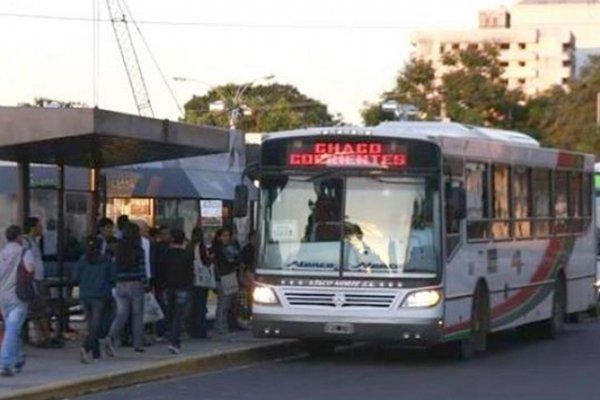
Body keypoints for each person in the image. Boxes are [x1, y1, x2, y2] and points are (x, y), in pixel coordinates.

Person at [72, 236, 116, 364]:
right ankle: (87, 347)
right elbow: (113, 277)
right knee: (98, 324)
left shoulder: (82, 260)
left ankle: (96, 352)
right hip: (101, 294)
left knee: (92, 323)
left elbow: (75, 277)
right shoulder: (107, 260)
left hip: (85, 294)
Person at [104, 223, 146, 355]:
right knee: (137, 314)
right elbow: (142, 268)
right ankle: (137, 344)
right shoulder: (138, 250)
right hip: (135, 283)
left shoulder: (118, 250)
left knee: (122, 313)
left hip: (120, 283)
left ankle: (110, 336)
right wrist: (145, 282)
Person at [0, 225, 34, 377]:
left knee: (12, 327)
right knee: (13, 328)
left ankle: (18, 357)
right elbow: (30, 269)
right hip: (18, 295)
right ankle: (5, 362)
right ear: (19, 237)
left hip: (3, 296)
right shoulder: (25, 253)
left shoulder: (1, 254)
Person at [23, 217, 57, 348]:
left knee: (39, 309)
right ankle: (43, 337)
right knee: (39, 308)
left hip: (38, 278)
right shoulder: (26, 242)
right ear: (33, 228)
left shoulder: (34, 241)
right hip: (33, 280)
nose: (41, 228)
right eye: (39, 226)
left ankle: (43, 336)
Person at [163, 229, 193, 354]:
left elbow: (161, 270)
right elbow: (190, 272)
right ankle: (174, 340)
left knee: (170, 312)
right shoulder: (187, 254)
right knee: (179, 315)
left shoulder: (166, 253)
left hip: (169, 286)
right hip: (183, 287)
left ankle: (170, 335)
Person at [212, 228, 239, 336]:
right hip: (223, 277)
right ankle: (220, 326)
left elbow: (237, 257)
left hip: (229, 275)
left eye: (228, 236)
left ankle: (223, 325)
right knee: (223, 303)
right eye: (224, 236)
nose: (226, 238)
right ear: (219, 237)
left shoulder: (229, 248)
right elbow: (227, 261)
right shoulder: (218, 249)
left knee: (227, 303)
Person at [187, 227, 213, 339]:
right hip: (201, 279)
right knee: (201, 306)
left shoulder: (189, 246)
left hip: (192, 279)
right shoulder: (200, 246)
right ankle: (201, 331)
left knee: (194, 305)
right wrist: (211, 258)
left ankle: (193, 330)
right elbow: (205, 261)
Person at [151, 226, 172, 341]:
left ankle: (162, 330)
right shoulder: (161, 248)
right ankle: (162, 330)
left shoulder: (157, 247)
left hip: (162, 282)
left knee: (164, 306)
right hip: (162, 282)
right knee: (164, 307)